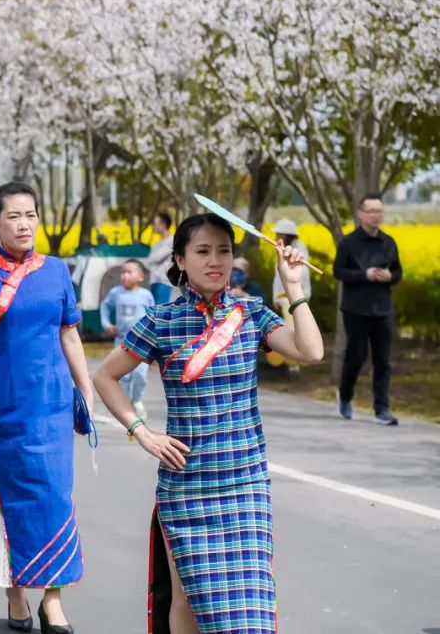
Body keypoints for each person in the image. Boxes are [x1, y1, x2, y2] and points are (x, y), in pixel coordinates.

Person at [93, 212, 321, 634]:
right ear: (179, 260)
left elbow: (310, 351)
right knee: (187, 599)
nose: (216, 261)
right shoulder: (161, 321)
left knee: (253, 605)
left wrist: (293, 287)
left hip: (244, 483)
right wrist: (141, 431)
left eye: (224, 251)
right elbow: (104, 377)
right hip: (187, 486)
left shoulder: (252, 313)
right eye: (202, 251)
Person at [0, 181, 95, 634]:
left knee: (55, 497)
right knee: (7, 500)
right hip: (2, 406)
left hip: (52, 406)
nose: (23, 223)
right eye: (13, 215)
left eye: (31, 214)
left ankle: (52, 601)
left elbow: (70, 334)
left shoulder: (57, 271)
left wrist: (86, 389)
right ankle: (15, 590)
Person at [334, 193, 402, 425]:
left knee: (383, 361)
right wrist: (365, 274)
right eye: (371, 211)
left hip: (382, 309)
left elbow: (398, 273)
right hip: (356, 309)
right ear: (361, 214)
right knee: (356, 356)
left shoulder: (389, 242)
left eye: (379, 211)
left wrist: (388, 276)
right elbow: (338, 272)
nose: (375, 215)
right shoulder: (349, 242)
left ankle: (382, 409)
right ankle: (345, 397)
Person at [99, 259, 155, 419]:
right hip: (122, 341)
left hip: (142, 343)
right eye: (122, 272)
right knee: (122, 376)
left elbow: (152, 316)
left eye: (129, 272)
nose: (124, 275)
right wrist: (106, 323)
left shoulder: (146, 295)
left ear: (140, 276)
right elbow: (105, 306)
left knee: (140, 376)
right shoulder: (116, 292)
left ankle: (136, 399)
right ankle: (123, 408)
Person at [270, 219, 311, 373]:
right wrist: (276, 297)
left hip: (295, 297)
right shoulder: (281, 249)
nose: (276, 236)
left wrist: (299, 296)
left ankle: (294, 364)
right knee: (289, 329)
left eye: (279, 233)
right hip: (284, 298)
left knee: (295, 330)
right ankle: (292, 363)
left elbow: (302, 276)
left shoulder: (299, 249)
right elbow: (277, 276)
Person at [146, 213, 176, 305]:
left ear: (163, 225)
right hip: (154, 280)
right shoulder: (156, 244)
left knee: (161, 310)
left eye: (155, 224)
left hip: (164, 281)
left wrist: (149, 260)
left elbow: (156, 258)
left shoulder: (171, 241)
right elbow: (150, 261)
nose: (153, 226)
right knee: (154, 310)